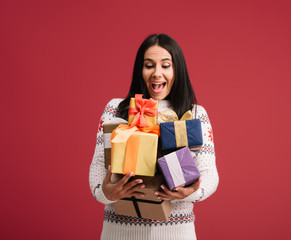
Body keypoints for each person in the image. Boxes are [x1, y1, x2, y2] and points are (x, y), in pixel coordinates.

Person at [89, 33, 219, 240]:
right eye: (149, 65)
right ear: (140, 70)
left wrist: (190, 192)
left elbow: (210, 173)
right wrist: (105, 193)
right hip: (119, 232)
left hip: (177, 232)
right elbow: (98, 165)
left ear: (177, 70)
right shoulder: (115, 109)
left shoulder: (195, 114)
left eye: (165, 65)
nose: (157, 73)